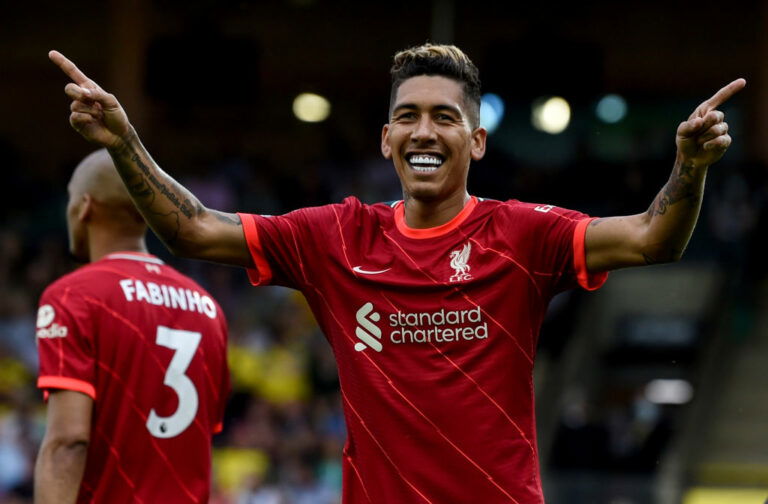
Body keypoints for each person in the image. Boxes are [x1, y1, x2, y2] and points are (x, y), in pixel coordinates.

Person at [48, 44, 744, 503]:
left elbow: (653, 239)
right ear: (386, 139)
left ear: (476, 140)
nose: (424, 131)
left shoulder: (524, 235)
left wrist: (690, 167)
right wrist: (125, 141)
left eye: (445, 117)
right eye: (407, 116)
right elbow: (195, 228)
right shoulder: (336, 237)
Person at [33, 149, 230, 503]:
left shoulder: (74, 296)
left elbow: (68, 443)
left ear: (84, 207)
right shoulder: (209, 308)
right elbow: (201, 443)